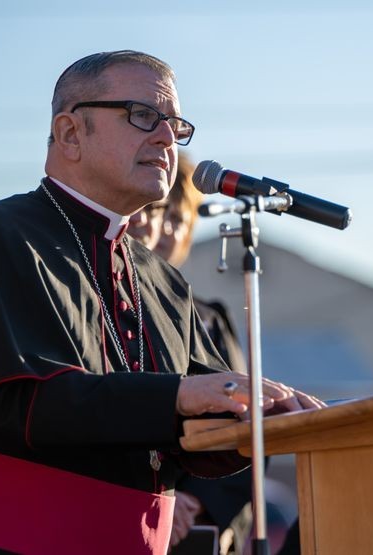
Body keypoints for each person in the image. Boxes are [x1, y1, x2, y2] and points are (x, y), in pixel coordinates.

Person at [0, 50, 323, 555]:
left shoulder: (163, 281)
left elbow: (203, 432)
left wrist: (270, 415)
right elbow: (33, 408)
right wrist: (181, 396)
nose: (166, 138)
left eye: (174, 125)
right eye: (144, 116)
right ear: (71, 133)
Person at [129, 153, 252, 554]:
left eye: (176, 220)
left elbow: (241, 423)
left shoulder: (208, 320)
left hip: (192, 530)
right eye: (155, 213)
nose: (162, 230)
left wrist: (194, 503)